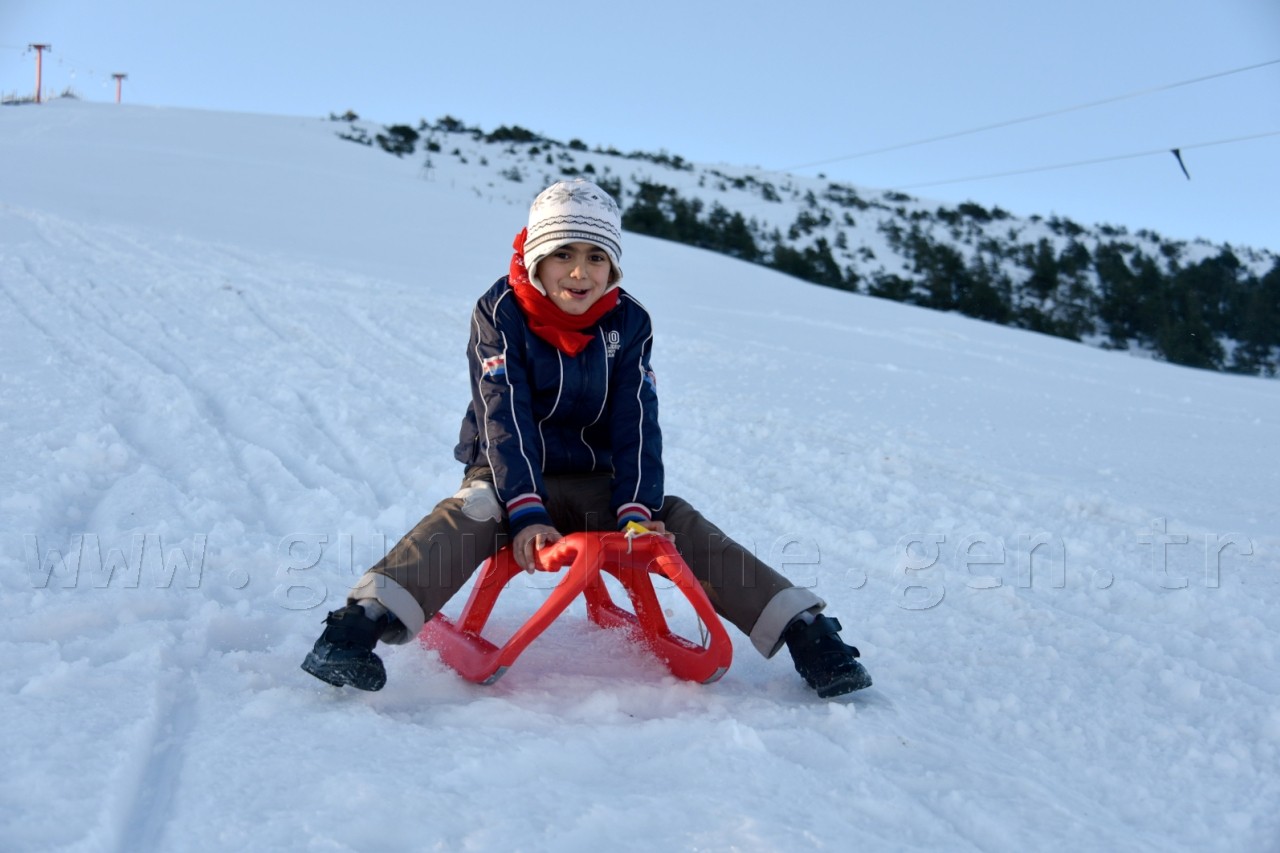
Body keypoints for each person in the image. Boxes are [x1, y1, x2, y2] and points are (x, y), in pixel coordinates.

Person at [301, 178, 872, 699]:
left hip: (596, 483)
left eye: (596, 257)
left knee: (677, 521)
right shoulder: (500, 312)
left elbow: (637, 422)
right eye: (564, 255)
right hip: (509, 478)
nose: (580, 272)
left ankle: (805, 628)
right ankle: (360, 624)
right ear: (536, 257)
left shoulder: (629, 324)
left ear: (614, 267)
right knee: (470, 512)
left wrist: (636, 508)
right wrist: (525, 511)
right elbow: (505, 415)